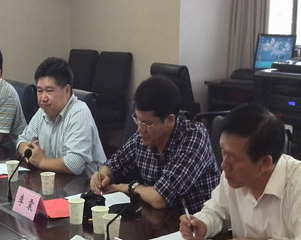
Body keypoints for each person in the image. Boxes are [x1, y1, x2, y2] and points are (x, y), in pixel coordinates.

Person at [180, 104, 301, 240]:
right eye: (223, 152)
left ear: (264, 163)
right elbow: (217, 210)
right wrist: (203, 224)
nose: (223, 165)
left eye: (233, 158)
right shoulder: (233, 176)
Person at [90, 76, 218, 212]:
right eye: (137, 120)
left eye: (147, 123)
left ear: (170, 120)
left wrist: (124, 187)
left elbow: (160, 198)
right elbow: (115, 164)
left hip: (196, 220)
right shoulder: (143, 137)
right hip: (157, 218)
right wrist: (101, 176)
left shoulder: (193, 136)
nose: (140, 129)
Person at [16, 57, 105, 177]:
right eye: (39, 91)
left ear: (66, 91)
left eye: (49, 91)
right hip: (57, 180)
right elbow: (21, 141)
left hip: (86, 184)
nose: (43, 98)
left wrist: (41, 161)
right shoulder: (43, 111)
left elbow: (75, 165)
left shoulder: (79, 113)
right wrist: (29, 153)